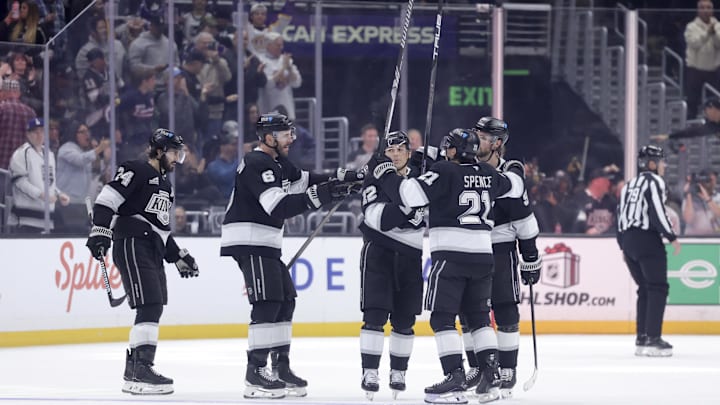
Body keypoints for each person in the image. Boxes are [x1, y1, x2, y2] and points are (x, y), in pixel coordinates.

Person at [366, 128, 523, 404]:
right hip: (484, 256)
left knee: (442, 318)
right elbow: (516, 186)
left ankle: (455, 378)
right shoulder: (488, 174)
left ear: (452, 150)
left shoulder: (444, 171)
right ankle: (491, 376)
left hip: (451, 256)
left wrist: (385, 173)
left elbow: (410, 195)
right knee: (479, 318)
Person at [220, 113, 362, 399]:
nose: (292, 138)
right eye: (286, 134)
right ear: (269, 137)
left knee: (285, 300)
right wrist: (323, 194)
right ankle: (256, 371)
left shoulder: (277, 162)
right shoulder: (257, 162)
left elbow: (304, 180)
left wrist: (341, 177)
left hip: (265, 243)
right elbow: (278, 206)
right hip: (250, 241)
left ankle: (280, 368)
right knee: (268, 301)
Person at [86, 128, 200, 395]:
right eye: (174, 153)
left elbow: (160, 229)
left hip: (151, 248)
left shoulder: (166, 186)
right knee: (149, 303)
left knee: (155, 304)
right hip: (132, 244)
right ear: (159, 151)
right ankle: (141, 368)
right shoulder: (134, 169)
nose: (177, 159)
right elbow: (106, 202)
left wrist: (178, 256)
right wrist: (100, 231)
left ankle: (136, 368)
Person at [451, 117, 541, 402]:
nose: (478, 139)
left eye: (485, 136)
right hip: (468, 247)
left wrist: (530, 256)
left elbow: (523, 214)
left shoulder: (511, 168)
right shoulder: (465, 165)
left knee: (505, 308)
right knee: (468, 312)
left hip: (500, 246)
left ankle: (508, 368)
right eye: (476, 133)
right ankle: (478, 368)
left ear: (498, 143)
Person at [357, 131, 425, 400]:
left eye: (400, 149)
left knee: (405, 320)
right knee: (374, 317)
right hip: (378, 253)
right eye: (390, 150)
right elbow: (381, 220)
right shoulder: (374, 181)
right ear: (383, 155)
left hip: (410, 256)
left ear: (409, 152)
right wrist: (411, 206)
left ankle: (399, 372)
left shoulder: (422, 177)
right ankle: (369, 371)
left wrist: (401, 204)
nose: (395, 154)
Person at [617, 145, 681, 357]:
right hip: (646, 239)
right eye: (661, 161)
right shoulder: (655, 182)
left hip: (628, 240)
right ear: (652, 163)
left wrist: (623, 246)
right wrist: (671, 236)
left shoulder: (629, 185)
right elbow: (657, 211)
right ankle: (653, 338)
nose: (664, 165)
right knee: (657, 287)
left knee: (644, 288)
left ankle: (642, 337)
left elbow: (620, 215)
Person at [9, 118, 69, 233]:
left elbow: (49, 183)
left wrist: (59, 194)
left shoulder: (49, 154)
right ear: (28, 134)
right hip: (25, 219)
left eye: (42, 131)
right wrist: (41, 195)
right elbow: (19, 182)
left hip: (46, 219)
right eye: (35, 132)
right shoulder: (21, 153)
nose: (39, 135)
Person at [684, 0, 720, 119]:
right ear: (698, 10)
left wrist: (714, 34)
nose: (706, 10)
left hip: (712, 69)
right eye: (702, 7)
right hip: (695, 69)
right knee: (693, 100)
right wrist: (707, 34)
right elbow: (694, 43)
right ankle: (690, 126)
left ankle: (713, 127)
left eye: (708, 7)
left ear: (712, 10)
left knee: (714, 101)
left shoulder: (718, 26)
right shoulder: (691, 26)